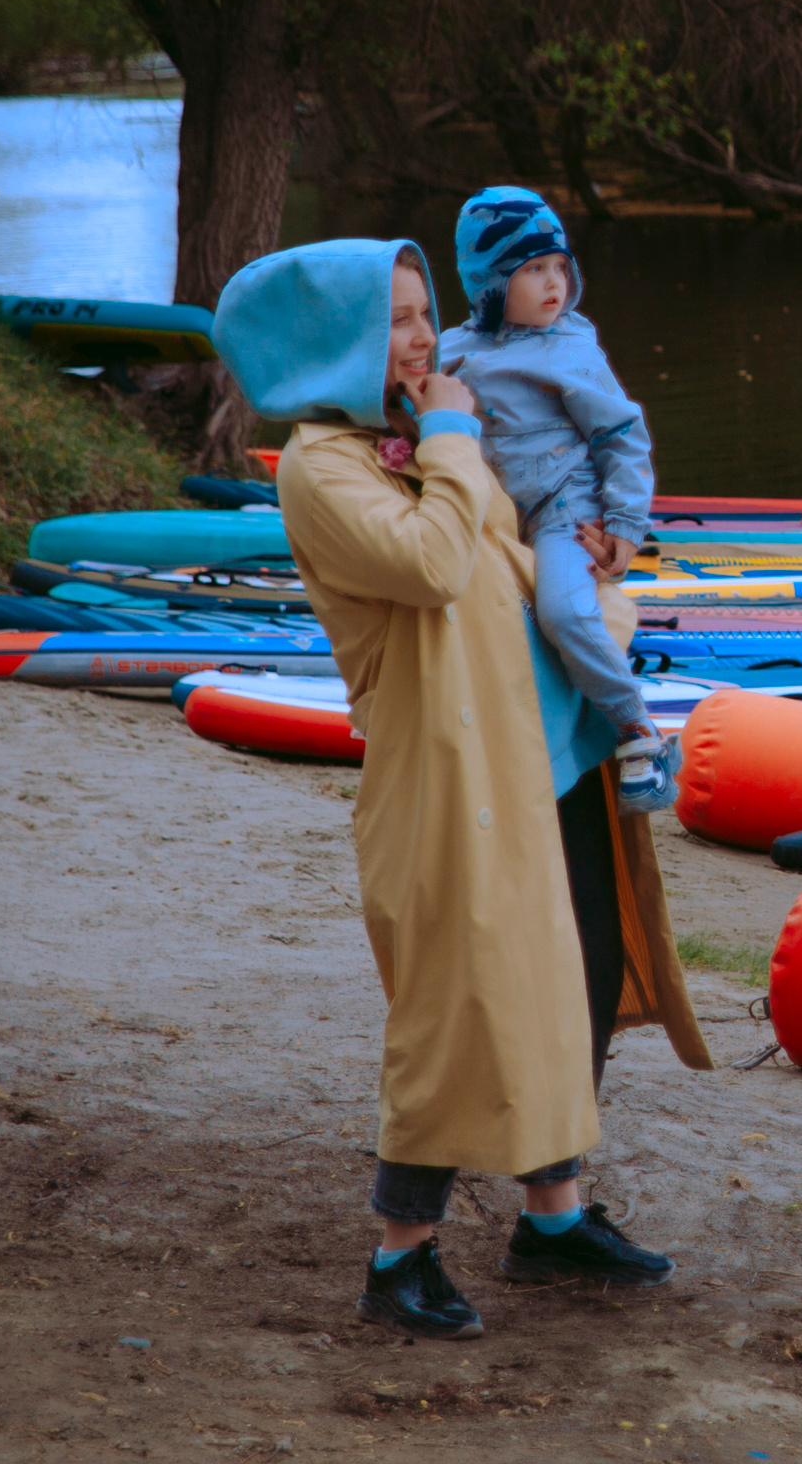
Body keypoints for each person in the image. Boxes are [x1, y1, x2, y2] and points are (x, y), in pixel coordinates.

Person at [212, 239, 710, 1341]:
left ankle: (553, 1218)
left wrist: (599, 592)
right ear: (331, 342)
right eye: (394, 319)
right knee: (455, 1001)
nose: (422, 337)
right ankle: (400, 1254)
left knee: (573, 973)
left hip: (545, 744)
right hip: (447, 769)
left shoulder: (419, 430)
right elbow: (434, 565)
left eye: (424, 312)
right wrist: (450, 434)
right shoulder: (323, 467)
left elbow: (496, 554)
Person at [438, 187, 672, 810]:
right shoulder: (452, 350)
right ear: (488, 283)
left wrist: (626, 524)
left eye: (560, 267)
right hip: (497, 515)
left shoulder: (569, 348)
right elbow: (423, 410)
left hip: (567, 508)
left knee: (564, 613)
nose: (554, 284)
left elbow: (621, 435)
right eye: (533, 269)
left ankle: (637, 731)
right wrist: (403, 443)